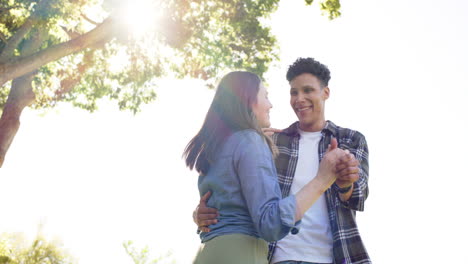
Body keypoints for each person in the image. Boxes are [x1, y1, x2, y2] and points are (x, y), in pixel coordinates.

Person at [194, 58, 371, 264]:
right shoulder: (271, 141)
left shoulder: (350, 140)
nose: (299, 99)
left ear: (325, 93)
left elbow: (359, 196)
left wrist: (345, 183)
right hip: (277, 257)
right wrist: (200, 214)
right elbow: (236, 191)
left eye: (308, 90)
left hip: (335, 256)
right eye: (294, 92)